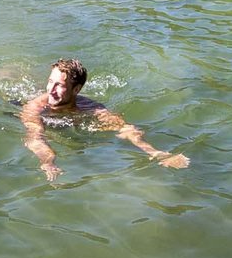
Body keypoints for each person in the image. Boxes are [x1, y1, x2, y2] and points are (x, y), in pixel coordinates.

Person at [19, 59, 189, 181]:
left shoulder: (90, 107)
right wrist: (48, 160)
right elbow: (34, 136)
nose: (51, 90)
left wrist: (156, 153)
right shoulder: (35, 106)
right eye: (50, 82)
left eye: (60, 85)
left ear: (76, 89)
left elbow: (126, 129)